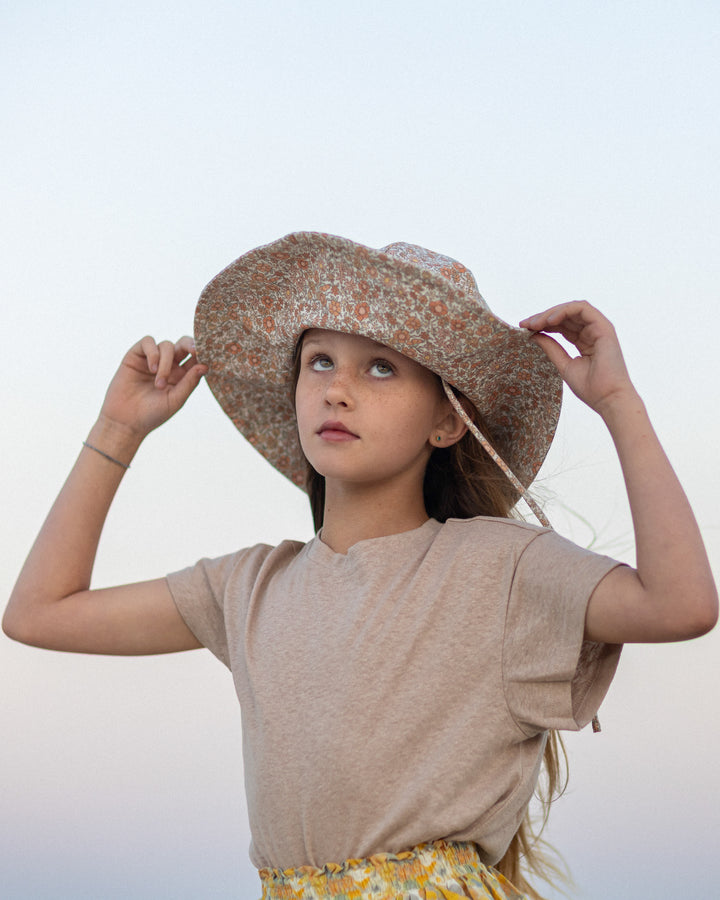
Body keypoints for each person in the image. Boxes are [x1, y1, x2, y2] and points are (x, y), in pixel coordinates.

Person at [4, 232, 717, 900]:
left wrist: (618, 403)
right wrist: (118, 428)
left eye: (381, 367)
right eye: (320, 361)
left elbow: (680, 604)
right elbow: (39, 613)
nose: (337, 389)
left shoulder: (501, 567)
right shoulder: (248, 588)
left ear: (447, 421)